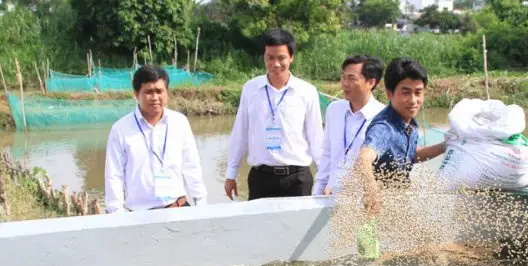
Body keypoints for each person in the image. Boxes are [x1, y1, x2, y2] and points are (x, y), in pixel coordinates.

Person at [224, 28, 323, 200]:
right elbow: (240, 132)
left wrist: (324, 177)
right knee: (259, 227)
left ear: (291, 57)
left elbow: (316, 137)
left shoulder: (307, 92)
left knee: (298, 228)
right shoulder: (251, 89)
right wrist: (231, 173)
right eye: (270, 57)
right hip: (261, 178)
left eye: (281, 58)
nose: (275, 64)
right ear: (264, 56)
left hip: (297, 179)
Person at [104, 65, 207, 212]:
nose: (155, 98)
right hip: (139, 216)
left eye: (159, 91)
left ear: (167, 92)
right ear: (136, 94)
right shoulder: (120, 130)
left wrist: (201, 203)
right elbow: (114, 176)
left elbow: (191, 165)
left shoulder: (179, 122)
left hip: (178, 209)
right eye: (148, 92)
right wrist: (117, 213)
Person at [355, 57, 446, 213]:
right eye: (406, 93)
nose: (413, 100)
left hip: (399, 204)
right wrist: (371, 190)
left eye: (418, 93)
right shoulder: (384, 128)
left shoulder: (409, 122)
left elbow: (411, 155)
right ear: (390, 94)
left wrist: (447, 145)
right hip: (376, 208)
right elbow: (363, 159)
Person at [312, 55, 385, 196]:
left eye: (351, 79)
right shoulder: (334, 110)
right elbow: (327, 153)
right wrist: (317, 192)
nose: (345, 83)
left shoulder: (382, 117)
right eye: (343, 77)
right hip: (329, 196)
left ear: (370, 82)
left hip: (362, 201)